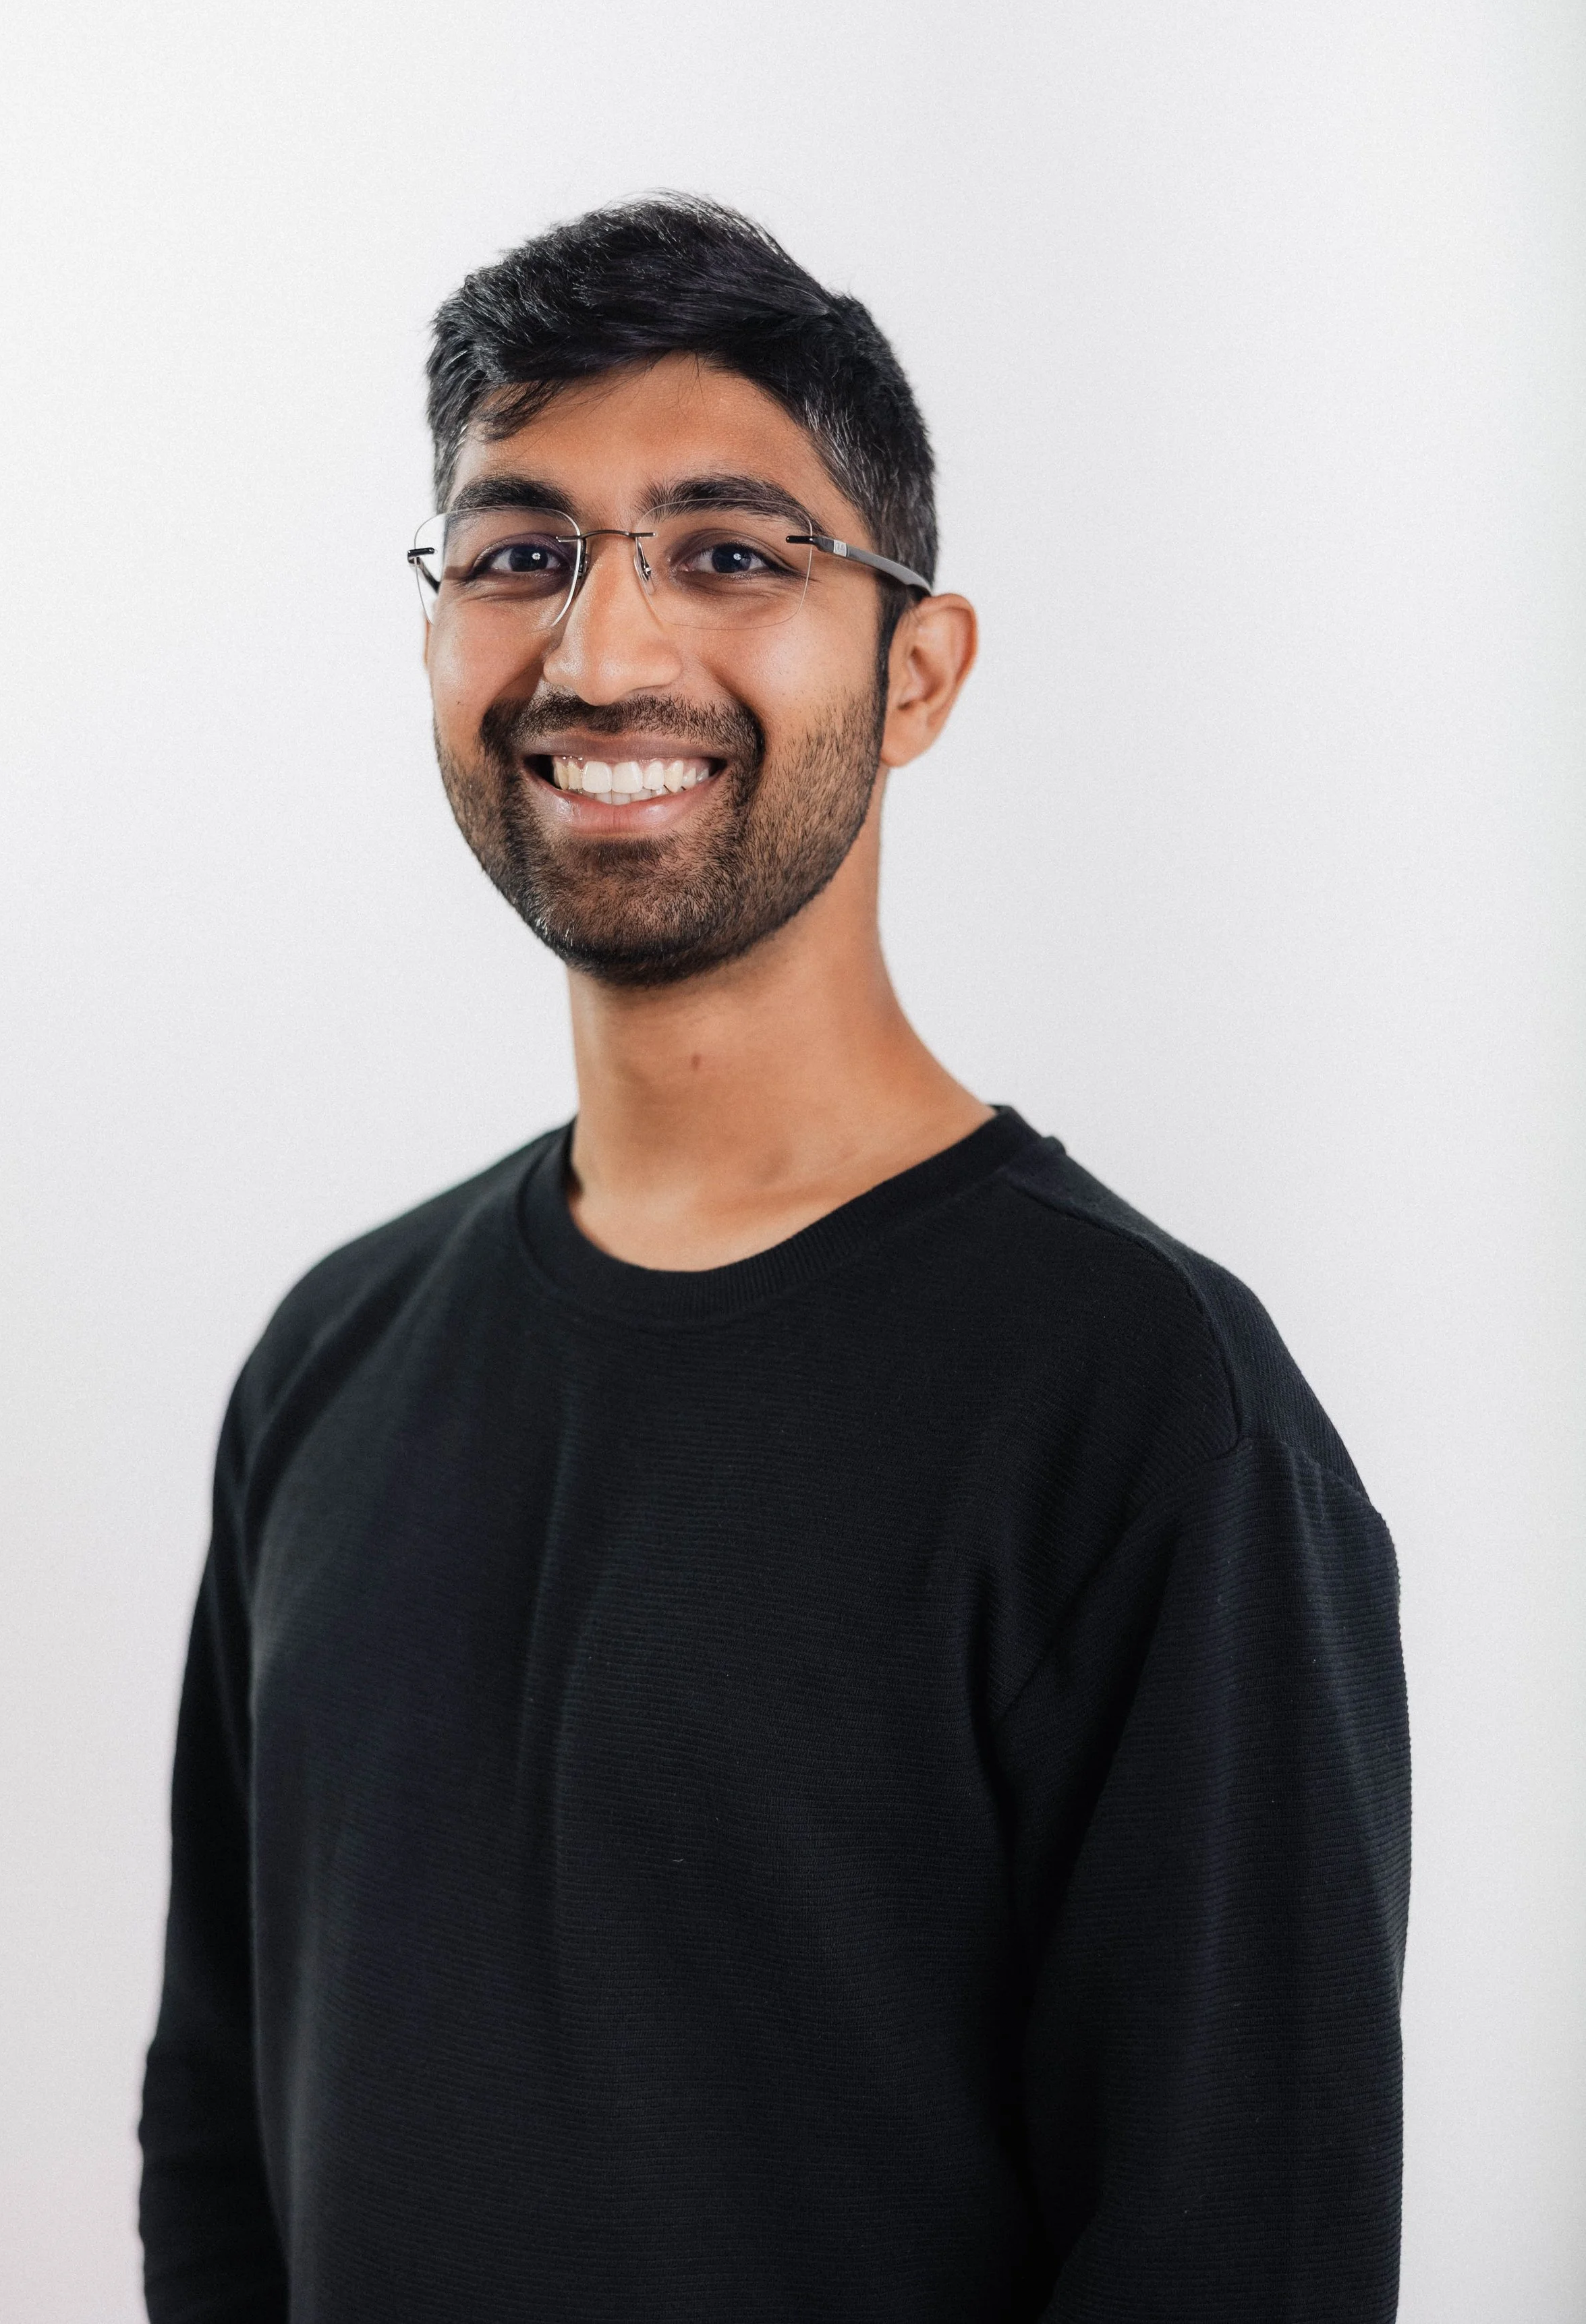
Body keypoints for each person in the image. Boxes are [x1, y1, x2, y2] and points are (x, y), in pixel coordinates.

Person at [139, 197, 1409, 2323]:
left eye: (728, 549)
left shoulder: (1145, 1407)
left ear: (914, 669)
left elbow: (1233, 2250)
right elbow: (223, 2132)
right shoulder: (331, 1358)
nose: (604, 653)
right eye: (518, 550)